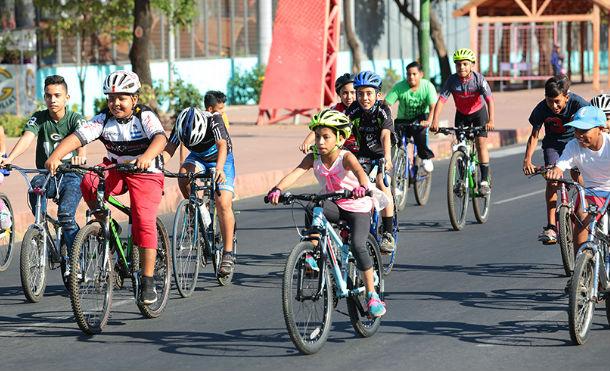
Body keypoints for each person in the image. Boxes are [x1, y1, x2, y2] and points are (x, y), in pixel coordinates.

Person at [45, 70, 167, 305]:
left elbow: (160, 139)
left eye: (122, 98)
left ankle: (148, 279)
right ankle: (106, 225)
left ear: (134, 99)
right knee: (89, 181)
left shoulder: (145, 116)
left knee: (143, 219)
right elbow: (79, 136)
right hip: (115, 168)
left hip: (146, 171)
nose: (116, 103)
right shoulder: (103, 119)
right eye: (111, 98)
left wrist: (146, 157)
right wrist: (56, 155)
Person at [267, 109, 386, 317]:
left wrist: (362, 186)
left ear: (340, 138)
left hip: (357, 205)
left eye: (326, 137)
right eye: (317, 136)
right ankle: (313, 254)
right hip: (334, 204)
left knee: (358, 245)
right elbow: (296, 172)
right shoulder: (314, 156)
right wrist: (277, 189)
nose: (320, 142)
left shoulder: (345, 156)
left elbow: (359, 172)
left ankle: (371, 294)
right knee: (313, 206)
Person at [0, 75, 86, 273]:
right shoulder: (39, 118)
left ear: (67, 97)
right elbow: (27, 138)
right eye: (48, 96)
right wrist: (10, 157)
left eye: (57, 95)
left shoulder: (75, 119)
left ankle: (76, 259)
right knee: (34, 191)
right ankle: (41, 229)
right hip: (46, 174)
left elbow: (82, 140)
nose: (53, 100)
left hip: (72, 175)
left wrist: (80, 157)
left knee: (66, 215)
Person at [162, 107, 237, 277]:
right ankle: (195, 209)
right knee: (183, 174)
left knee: (223, 203)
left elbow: (222, 145)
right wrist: (157, 166)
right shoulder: (181, 124)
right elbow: (170, 148)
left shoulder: (214, 120)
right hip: (197, 158)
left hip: (221, 158)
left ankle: (227, 253)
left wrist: (219, 169)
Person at [523, 75, 589, 244]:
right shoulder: (541, 109)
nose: (554, 106)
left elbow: (592, 123)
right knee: (552, 180)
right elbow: (534, 135)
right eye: (550, 101)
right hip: (553, 145)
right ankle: (551, 227)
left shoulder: (578, 103)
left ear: (566, 96)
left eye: (558, 101)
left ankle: (587, 208)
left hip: (575, 144)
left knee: (579, 178)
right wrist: (527, 160)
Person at [544, 106, 609, 257]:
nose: (579, 135)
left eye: (584, 130)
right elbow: (561, 165)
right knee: (581, 218)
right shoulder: (573, 146)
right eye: (576, 130)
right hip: (592, 191)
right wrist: (555, 172)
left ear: (600, 129)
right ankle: (580, 270)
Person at [431, 48, 495, 195]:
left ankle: (484, 181)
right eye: (458, 65)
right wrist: (435, 120)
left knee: (480, 145)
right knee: (459, 147)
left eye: (465, 64)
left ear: (472, 65)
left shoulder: (479, 79)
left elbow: (490, 100)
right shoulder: (452, 81)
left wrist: (491, 120)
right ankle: (460, 180)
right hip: (462, 115)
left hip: (479, 114)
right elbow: (441, 100)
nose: (462, 67)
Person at [345, 70, 396, 253]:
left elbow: (385, 135)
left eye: (369, 93)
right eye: (360, 93)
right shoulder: (353, 109)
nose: (364, 98)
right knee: (354, 185)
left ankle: (388, 233)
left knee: (382, 183)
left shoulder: (383, 110)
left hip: (383, 153)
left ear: (378, 94)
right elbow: (340, 129)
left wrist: (387, 158)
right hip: (362, 155)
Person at [384, 61, 437, 173]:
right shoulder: (400, 87)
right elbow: (386, 103)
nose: (411, 77)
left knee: (421, 135)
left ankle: (425, 157)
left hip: (421, 118)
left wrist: (429, 121)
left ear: (421, 74)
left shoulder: (427, 86)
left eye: (414, 74)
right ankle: (401, 161)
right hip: (403, 119)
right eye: (408, 74)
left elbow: (433, 106)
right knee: (395, 139)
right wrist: (388, 118)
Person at [299, 73, 357, 154]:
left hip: (359, 149)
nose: (349, 97)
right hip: (338, 148)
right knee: (312, 157)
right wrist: (306, 142)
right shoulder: (334, 110)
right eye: (345, 93)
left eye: (353, 92)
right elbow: (320, 127)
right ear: (339, 94)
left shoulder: (363, 109)